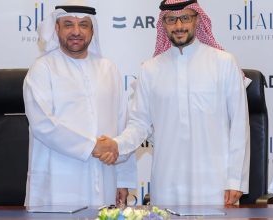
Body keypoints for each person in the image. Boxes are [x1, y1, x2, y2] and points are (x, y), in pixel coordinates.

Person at [97, 0, 250, 206]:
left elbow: (239, 126)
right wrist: (116, 145)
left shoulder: (224, 63)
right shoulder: (150, 70)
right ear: (163, 24)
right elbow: (139, 125)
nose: (179, 26)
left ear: (197, 20)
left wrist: (235, 179)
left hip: (215, 184)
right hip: (167, 183)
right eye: (171, 20)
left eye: (185, 18)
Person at [23, 0, 137, 207]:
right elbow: (43, 125)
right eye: (68, 25)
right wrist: (93, 146)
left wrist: (123, 180)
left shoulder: (108, 69)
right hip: (58, 181)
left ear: (92, 30)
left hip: (105, 177)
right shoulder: (42, 69)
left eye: (83, 25)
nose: (76, 31)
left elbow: (122, 124)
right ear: (56, 28)